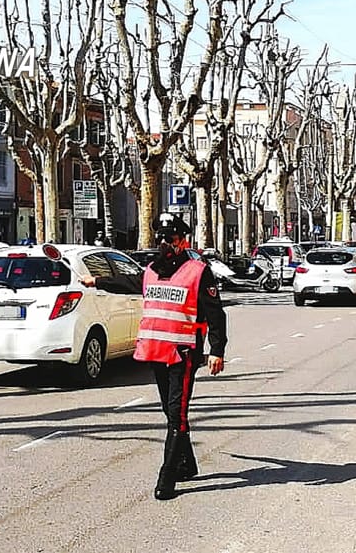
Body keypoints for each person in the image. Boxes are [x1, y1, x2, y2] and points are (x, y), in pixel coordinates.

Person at [134, 212, 227, 500]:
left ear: (182, 240)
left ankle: (167, 477)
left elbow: (215, 314)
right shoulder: (150, 270)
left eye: (170, 238)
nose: (165, 243)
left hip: (184, 353)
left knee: (177, 415)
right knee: (170, 412)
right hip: (156, 351)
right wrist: (95, 280)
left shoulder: (198, 271)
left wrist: (217, 351)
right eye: (160, 238)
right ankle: (188, 464)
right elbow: (125, 282)